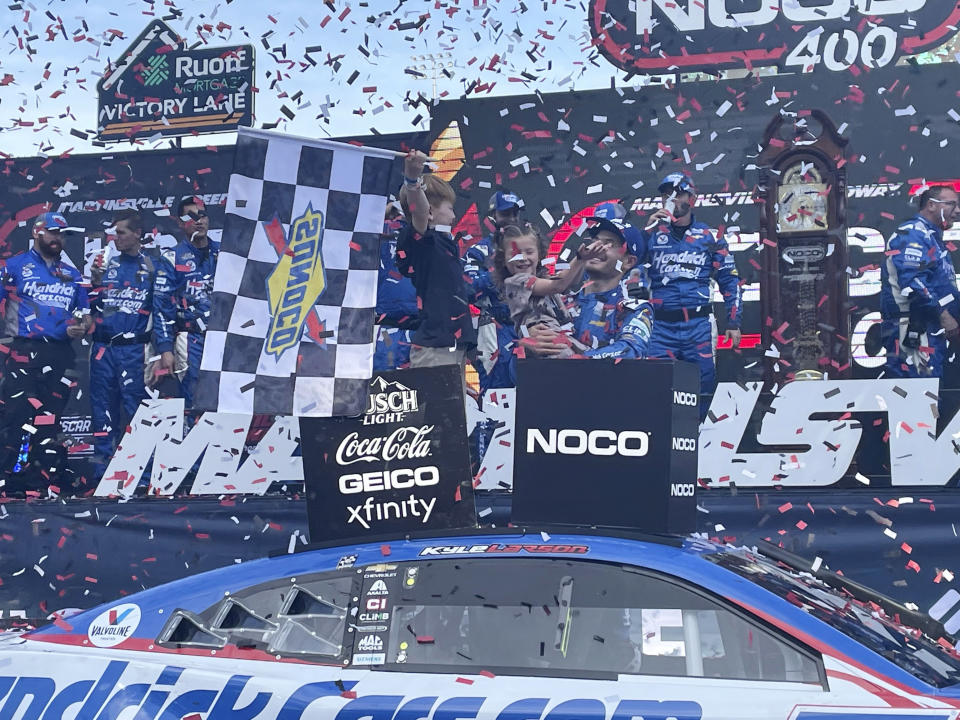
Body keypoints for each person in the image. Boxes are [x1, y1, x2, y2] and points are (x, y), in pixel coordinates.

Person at [0, 211, 90, 491]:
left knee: (50, 417)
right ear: (36, 232)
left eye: (61, 233)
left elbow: (85, 316)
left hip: (61, 353)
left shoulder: (72, 274)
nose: (57, 238)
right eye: (52, 232)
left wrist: (82, 327)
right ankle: (8, 477)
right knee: (16, 414)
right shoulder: (14, 267)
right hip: (24, 350)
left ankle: (42, 481)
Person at [637, 172, 742, 401]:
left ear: (692, 198)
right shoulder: (651, 235)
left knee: (702, 388)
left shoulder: (710, 236)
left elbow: (729, 279)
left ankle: (701, 434)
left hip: (699, 325)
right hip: (661, 326)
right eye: (667, 194)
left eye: (678, 193)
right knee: (656, 388)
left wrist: (734, 321)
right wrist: (645, 233)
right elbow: (627, 268)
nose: (672, 199)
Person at [397, 150, 477, 370]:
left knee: (454, 404)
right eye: (450, 208)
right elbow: (419, 213)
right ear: (431, 212)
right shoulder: (423, 241)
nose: (453, 216)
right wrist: (413, 180)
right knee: (434, 405)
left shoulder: (444, 244)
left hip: (453, 343)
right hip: (434, 348)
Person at [88, 210, 157, 465]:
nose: (116, 238)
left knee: (137, 410)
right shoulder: (106, 265)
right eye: (114, 233)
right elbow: (92, 306)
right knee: (102, 410)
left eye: (121, 233)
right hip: (103, 347)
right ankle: (103, 472)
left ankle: (144, 472)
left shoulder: (152, 267)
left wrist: (159, 353)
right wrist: (95, 282)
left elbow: (161, 311)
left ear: (137, 234)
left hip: (134, 349)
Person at [880, 184, 960, 377]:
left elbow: (941, 287)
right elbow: (913, 282)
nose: (957, 211)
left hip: (930, 329)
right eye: (952, 204)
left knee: (928, 395)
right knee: (917, 395)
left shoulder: (932, 237)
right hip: (913, 328)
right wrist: (945, 316)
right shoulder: (913, 233)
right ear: (931, 205)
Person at [153, 196, 218, 408]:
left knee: (227, 398)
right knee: (195, 400)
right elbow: (162, 307)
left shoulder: (226, 253)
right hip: (191, 340)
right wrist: (165, 348)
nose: (198, 220)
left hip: (225, 338)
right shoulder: (172, 257)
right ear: (180, 223)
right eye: (190, 216)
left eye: (202, 215)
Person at [492, 223, 601, 344]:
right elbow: (558, 286)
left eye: (529, 252)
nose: (522, 257)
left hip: (560, 335)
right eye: (515, 254)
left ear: (539, 255)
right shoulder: (516, 282)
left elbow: (570, 281)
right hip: (544, 338)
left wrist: (583, 260)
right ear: (503, 259)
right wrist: (579, 258)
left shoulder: (542, 280)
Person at [374, 201, 417, 371]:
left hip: (390, 327)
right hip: (391, 326)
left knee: (385, 385)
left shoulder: (432, 234)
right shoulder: (380, 230)